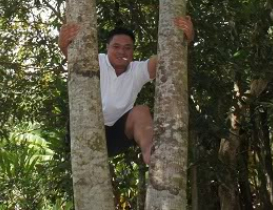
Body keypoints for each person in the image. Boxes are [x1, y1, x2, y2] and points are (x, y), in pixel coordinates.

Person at [58, 16, 194, 164]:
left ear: (132, 51)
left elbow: (165, 60)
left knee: (141, 111)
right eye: (116, 47)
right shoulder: (95, 61)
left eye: (127, 48)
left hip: (113, 136)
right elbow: (73, 58)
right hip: (82, 128)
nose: (121, 52)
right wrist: (63, 44)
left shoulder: (136, 70)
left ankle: (153, 158)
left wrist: (185, 39)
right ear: (107, 48)